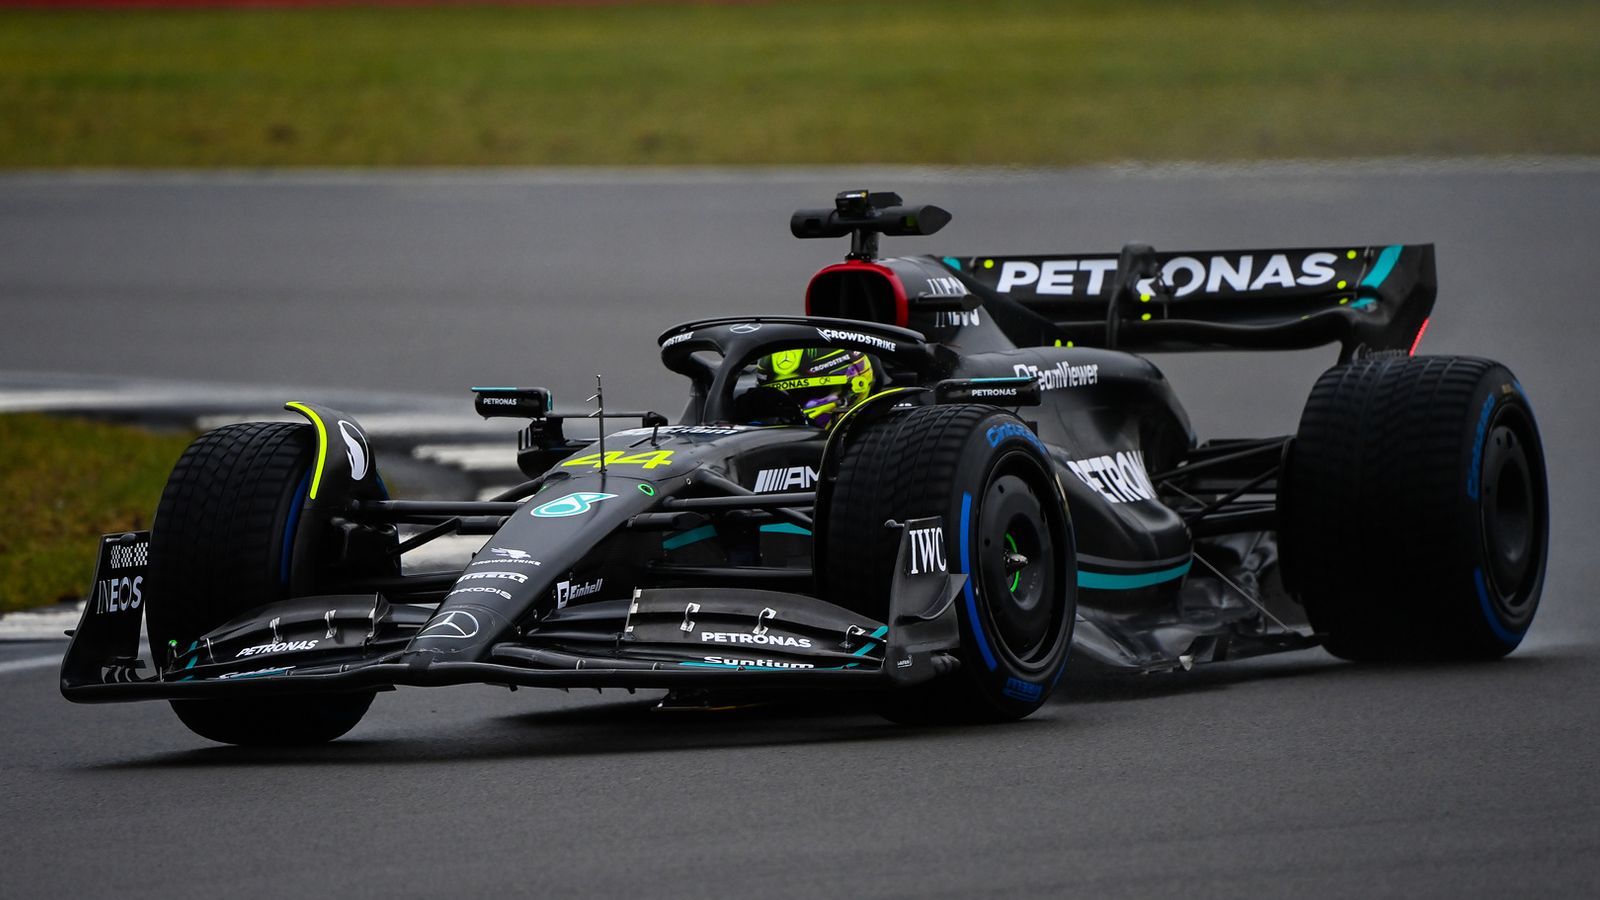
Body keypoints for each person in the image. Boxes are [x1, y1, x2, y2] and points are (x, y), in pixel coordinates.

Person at [752, 348, 876, 428]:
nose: (795, 408)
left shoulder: (880, 439)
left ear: (857, 386)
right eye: (789, 396)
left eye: (817, 392)